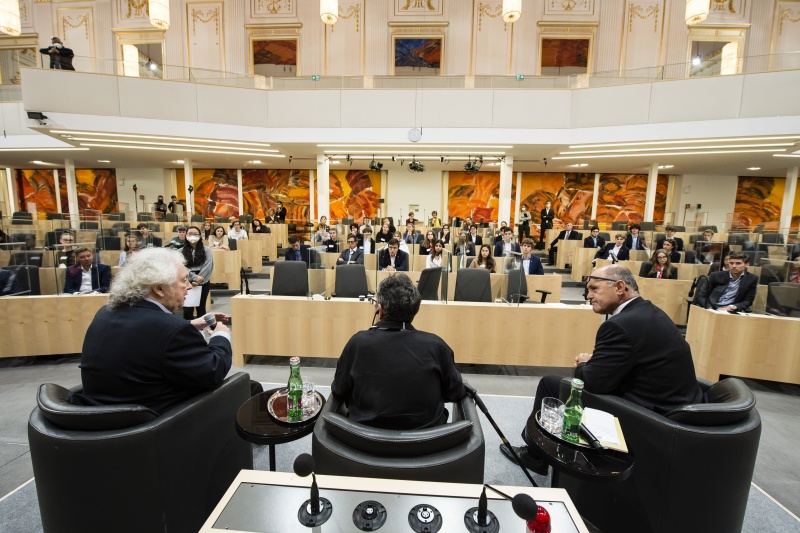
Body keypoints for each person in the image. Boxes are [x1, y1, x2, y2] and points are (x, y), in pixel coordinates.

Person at [501, 265, 703, 474]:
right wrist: (595, 361)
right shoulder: (648, 311)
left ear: (619, 287)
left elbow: (593, 383)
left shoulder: (619, 325)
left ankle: (534, 456)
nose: (588, 295)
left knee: (550, 384)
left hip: (651, 416)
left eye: (594, 288)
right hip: (674, 404)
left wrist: (583, 364)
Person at [70, 247, 232, 415]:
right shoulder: (171, 329)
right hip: (151, 421)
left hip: (99, 413)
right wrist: (221, 335)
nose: (190, 286)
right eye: (184, 280)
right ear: (159, 288)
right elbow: (212, 371)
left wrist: (190, 325)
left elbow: (145, 339)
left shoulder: (105, 313)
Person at [331, 273, 465, 429]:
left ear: (379, 310)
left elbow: (338, 391)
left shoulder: (357, 343)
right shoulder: (437, 346)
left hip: (365, 445)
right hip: (428, 446)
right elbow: (456, 393)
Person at [181, 226, 213, 320]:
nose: (192, 236)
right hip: (187, 280)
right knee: (187, 309)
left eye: (195, 234)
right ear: (186, 235)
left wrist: (199, 280)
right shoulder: (180, 251)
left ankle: (201, 331)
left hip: (203, 280)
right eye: (190, 234)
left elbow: (208, 266)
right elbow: (182, 267)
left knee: (201, 307)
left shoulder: (206, 250)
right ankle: (188, 331)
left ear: (200, 236)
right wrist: (193, 278)